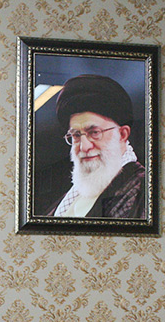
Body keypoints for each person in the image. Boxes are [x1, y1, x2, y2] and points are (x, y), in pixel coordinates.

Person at [43, 74, 146, 219]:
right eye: (76, 135)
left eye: (94, 132)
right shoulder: (69, 197)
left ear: (122, 134)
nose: (84, 147)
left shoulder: (143, 189)